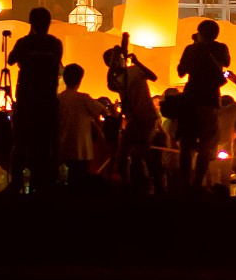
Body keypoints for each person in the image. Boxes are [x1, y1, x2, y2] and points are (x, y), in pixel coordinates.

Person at [7, 7, 65, 192]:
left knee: (20, 144)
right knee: (46, 144)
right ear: (48, 24)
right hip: (47, 101)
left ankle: (16, 181)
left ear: (31, 23)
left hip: (26, 101)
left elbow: (10, 60)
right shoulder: (55, 44)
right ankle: (46, 183)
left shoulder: (24, 43)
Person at [176, 19, 233, 189]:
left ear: (199, 32)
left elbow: (180, 72)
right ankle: (198, 183)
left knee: (186, 144)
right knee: (207, 145)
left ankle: (185, 183)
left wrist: (196, 45)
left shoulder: (191, 49)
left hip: (191, 99)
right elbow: (227, 62)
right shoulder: (221, 48)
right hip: (210, 100)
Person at [105, 44, 160, 191]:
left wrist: (137, 62)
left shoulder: (134, 71)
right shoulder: (119, 78)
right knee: (123, 157)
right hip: (134, 120)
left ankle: (143, 186)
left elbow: (153, 77)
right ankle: (130, 185)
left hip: (146, 119)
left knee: (136, 156)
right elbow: (110, 83)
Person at [56, 62, 100, 187]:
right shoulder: (84, 98)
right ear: (80, 80)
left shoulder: (58, 99)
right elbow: (102, 111)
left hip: (62, 148)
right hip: (82, 150)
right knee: (80, 184)